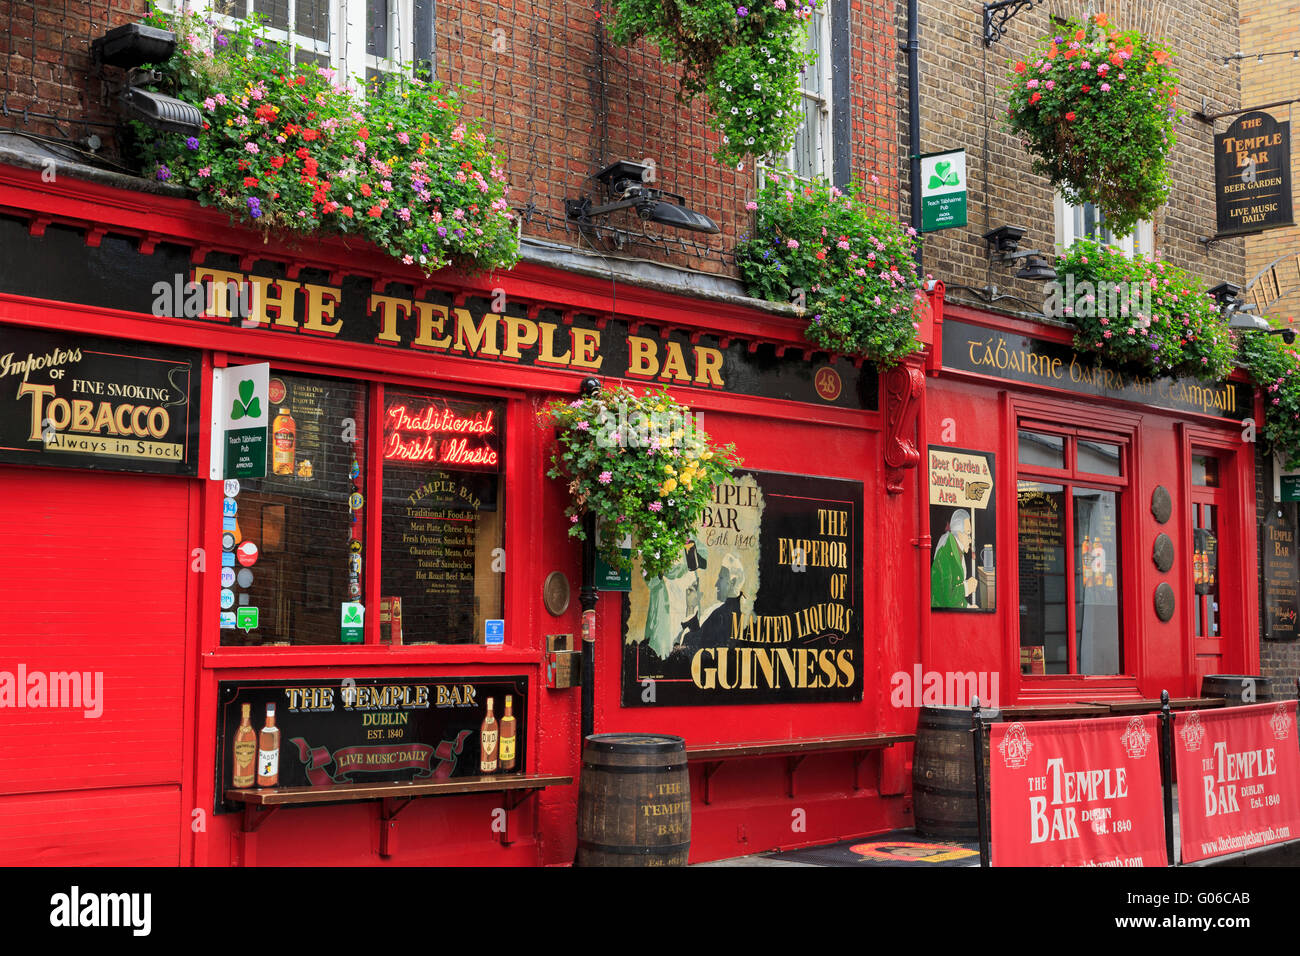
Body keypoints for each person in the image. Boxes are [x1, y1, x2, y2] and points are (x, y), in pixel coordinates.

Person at [931, 509, 977, 608]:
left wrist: (968, 607)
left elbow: (956, 599)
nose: (970, 540)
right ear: (959, 533)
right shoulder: (946, 553)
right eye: (968, 534)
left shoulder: (958, 550)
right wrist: (967, 588)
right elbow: (947, 598)